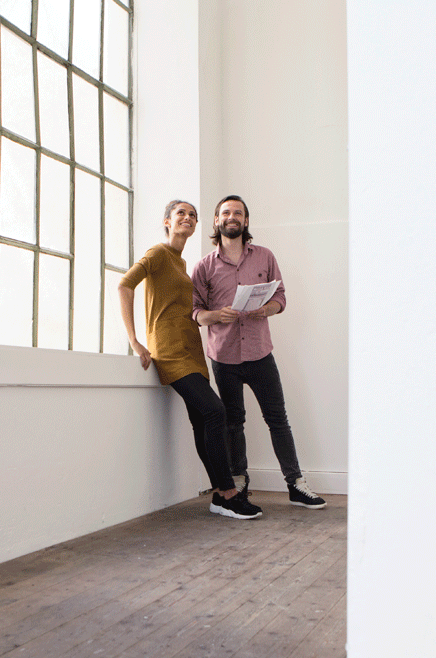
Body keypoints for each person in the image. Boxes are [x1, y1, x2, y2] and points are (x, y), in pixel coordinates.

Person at [118, 200, 262, 520]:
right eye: (180, 213)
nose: (187, 217)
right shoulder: (158, 254)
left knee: (202, 421)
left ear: (197, 226)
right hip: (169, 351)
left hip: (192, 350)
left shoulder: (183, 266)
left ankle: (219, 496)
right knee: (215, 411)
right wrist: (135, 341)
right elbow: (125, 285)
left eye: (192, 215)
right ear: (167, 221)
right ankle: (228, 492)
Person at [190, 195, 326, 509]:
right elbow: (195, 311)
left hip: (260, 353)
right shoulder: (204, 267)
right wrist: (215, 315)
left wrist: (268, 309)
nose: (232, 216)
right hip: (223, 356)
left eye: (238, 212)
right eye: (226, 212)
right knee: (233, 422)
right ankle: (238, 482)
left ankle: (295, 483)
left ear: (246, 221)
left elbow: (280, 296)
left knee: (278, 419)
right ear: (217, 221)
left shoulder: (264, 256)